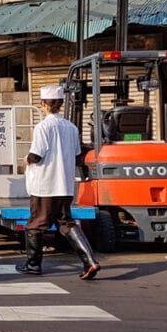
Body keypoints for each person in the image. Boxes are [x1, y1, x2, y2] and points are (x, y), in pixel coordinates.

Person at [17, 85, 101, 280]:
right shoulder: (71, 128)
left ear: (44, 104)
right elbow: (77, 154)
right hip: (64, 184)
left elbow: (37, 155)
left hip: (45, 184)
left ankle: (33, 264)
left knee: (36, 224)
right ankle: (90, 261)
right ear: (61, 104)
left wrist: (26, 159)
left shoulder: (43, 127)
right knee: (66, 222)